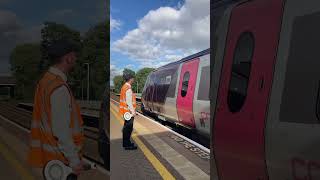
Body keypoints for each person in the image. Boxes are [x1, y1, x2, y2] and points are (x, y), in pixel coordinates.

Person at [27, 40, 87, 176]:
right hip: (61, 163)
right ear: (68, 58)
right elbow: (61, 130)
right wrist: (74, 160)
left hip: (48, 159)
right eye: (74, 56)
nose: (76, 59)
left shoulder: (45, 82)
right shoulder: (58, 87)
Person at [119, 73, 138, 150]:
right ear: (130, 79)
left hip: (125, 112)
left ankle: (126, 143)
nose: (133, 80)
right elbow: (129, 102)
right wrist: (133, 112)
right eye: (133, 78)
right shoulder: (128, 89)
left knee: (126, 128)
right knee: (128, 129)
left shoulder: (124, 87)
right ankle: (127, 145)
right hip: (129, 113)